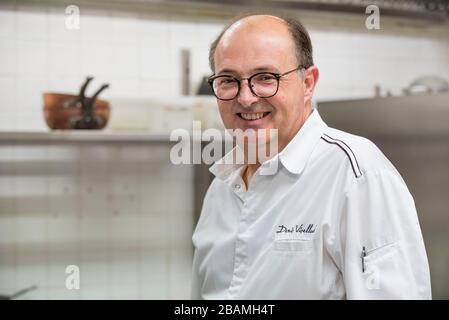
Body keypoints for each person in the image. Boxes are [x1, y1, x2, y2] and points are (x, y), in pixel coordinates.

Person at [190, 14, 431, 299]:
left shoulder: (357, 175)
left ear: (308, 83)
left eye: (266, 77)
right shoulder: (221, 187)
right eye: (228, 80)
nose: (245, 98)